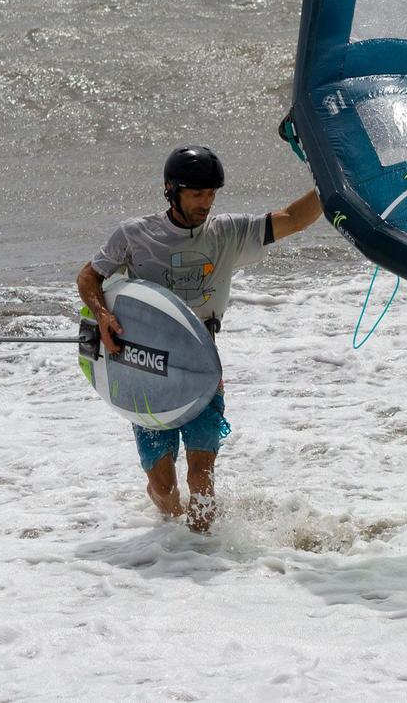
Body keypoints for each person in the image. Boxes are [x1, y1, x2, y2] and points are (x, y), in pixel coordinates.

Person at [77, 145, 320, 532]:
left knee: (201, 477)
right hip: (149, 365)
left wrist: (334, 185)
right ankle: (168, 535)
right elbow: (89, 277)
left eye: (210, 194)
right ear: (171, 190)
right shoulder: (135, 235)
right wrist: (103, 314)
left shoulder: (228, 232)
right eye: (196, 194)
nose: (205, 202)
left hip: (202, 364)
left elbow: (293, 218)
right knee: (165, 488)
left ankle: (199, 553)